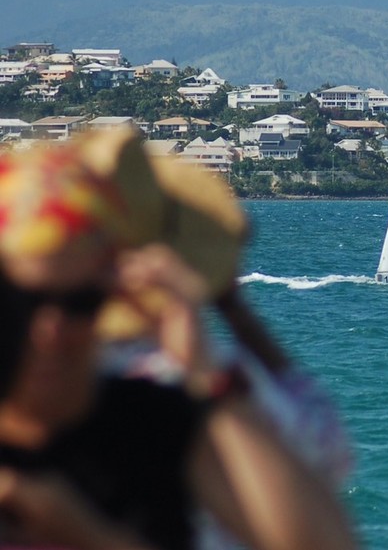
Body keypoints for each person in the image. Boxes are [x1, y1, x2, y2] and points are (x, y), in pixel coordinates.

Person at [0, 141, 360, 549]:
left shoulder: (155, 420)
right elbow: (326, 444)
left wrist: (207, 372)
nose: (50, 330)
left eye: (80, 303)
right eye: (24, 303)